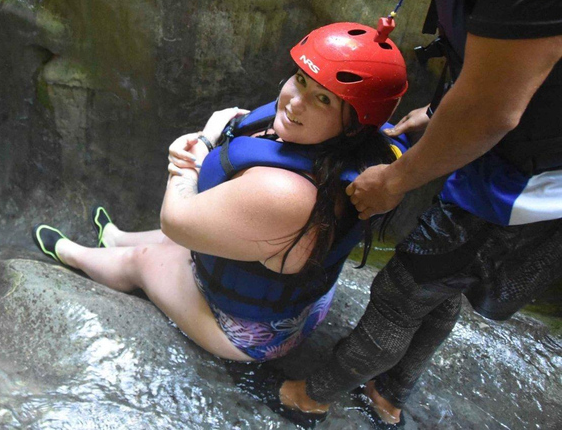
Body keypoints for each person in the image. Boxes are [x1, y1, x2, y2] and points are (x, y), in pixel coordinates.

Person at [278, 0, 562, 426]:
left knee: (400, 294)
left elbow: (494, 107)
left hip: (527, 183)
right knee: (438, 285)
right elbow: (507, 57)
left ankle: (313, 395)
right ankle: (390, 389)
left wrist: (397, 180)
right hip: (517, 152)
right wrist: (438, 115)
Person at [31, 22, 408, 366]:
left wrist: (193, 153)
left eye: (324, 100)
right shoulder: (370, 148)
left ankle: (73, 255)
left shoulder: (287, 193)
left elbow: (176, 222)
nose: (294, 102)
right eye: (300, 79)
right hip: (291, 285)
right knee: (193, 234)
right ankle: (113, 237)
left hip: (252, 330)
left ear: (356, 125)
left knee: (146, 259)